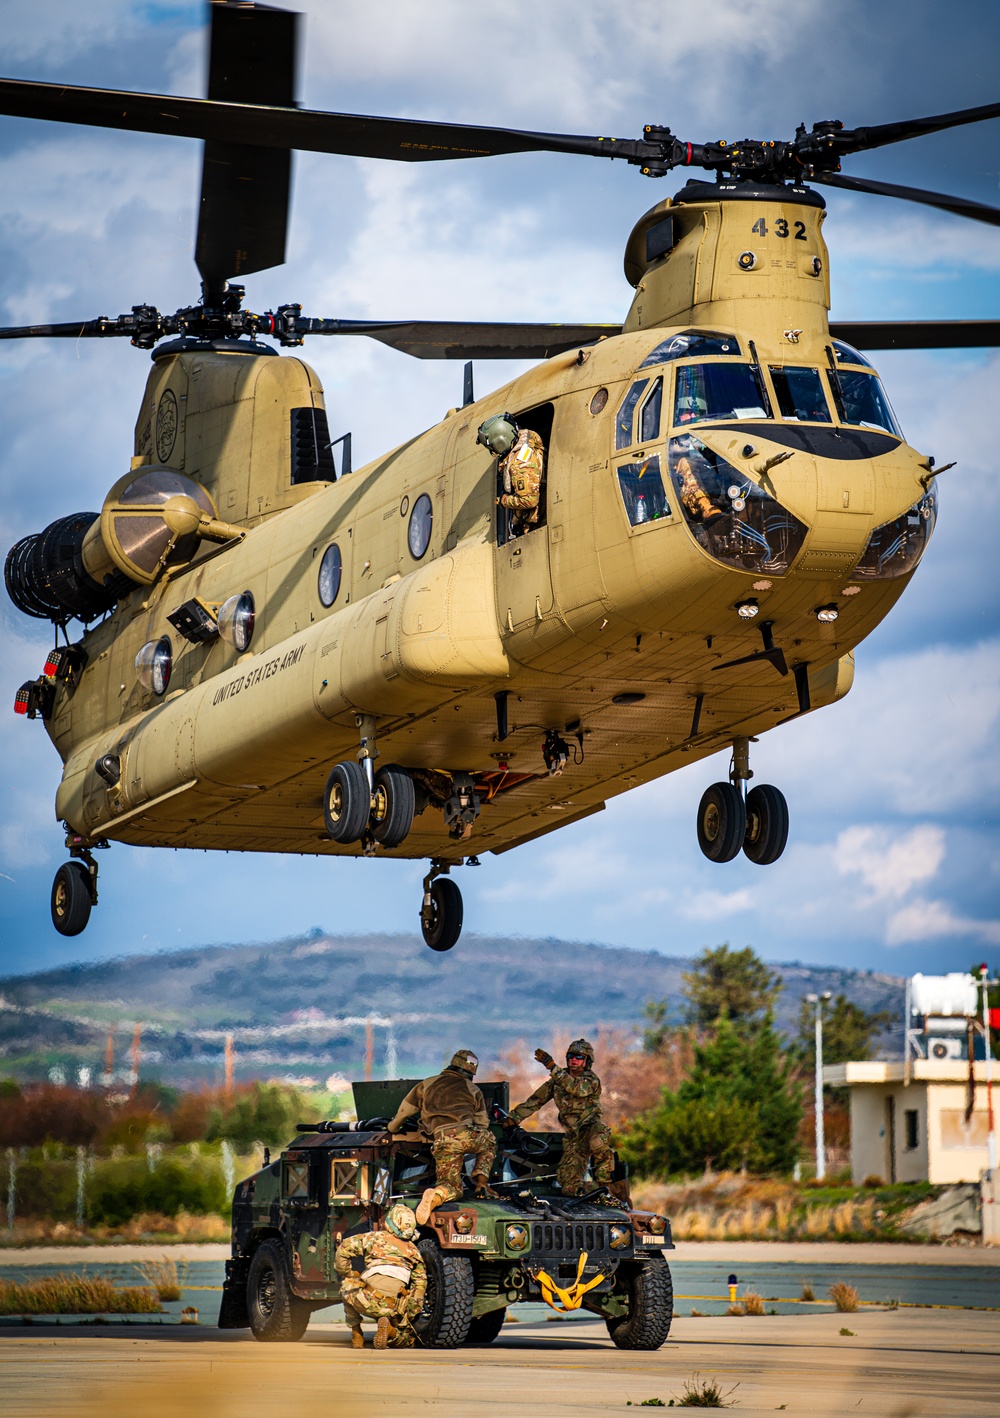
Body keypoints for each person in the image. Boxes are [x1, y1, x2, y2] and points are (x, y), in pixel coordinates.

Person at [386, 1048, 498, 1224]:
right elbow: (483, 1124)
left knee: (451, 1187)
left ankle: (437, 1195)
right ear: (471, 1072)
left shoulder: (427, 1084)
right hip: (467, 1134)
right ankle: (482, 1183)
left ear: (452, 1064)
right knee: (489, 1140)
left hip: (443, 1140)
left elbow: (403, 1112)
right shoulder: (472, 1088)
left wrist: (391, 1128)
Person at [506, 1038, 615, 1196]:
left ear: (587, 1061)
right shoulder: (556, 1082)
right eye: (571, 1056)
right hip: (573, 1138)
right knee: (568, 1187)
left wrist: (551, 1066)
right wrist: (513, 1118)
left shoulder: (591, 1081)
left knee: (599, 1138)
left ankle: (607, 1187)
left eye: (579, 1057)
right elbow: (536, 1101)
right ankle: (596, 1190)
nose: (573, 1060)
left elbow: (575, 1088)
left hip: (590, 1129)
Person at [333, 1203, 427, 1350]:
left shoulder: (373, 1238)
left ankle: (356, 1334)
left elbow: (344, 1248)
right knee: (406, 1339)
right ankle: (391, 1330)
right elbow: (420, 1287)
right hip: (394, 1307)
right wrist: (409, 1316)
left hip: (366, 1300)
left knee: (347, 1286)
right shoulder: (414, 1251)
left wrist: (347, 1273)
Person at [497, 428, 545, 536]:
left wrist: (504, 501)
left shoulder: (519, 463)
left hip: (538, 522)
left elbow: (529, 500)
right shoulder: (531, 449)